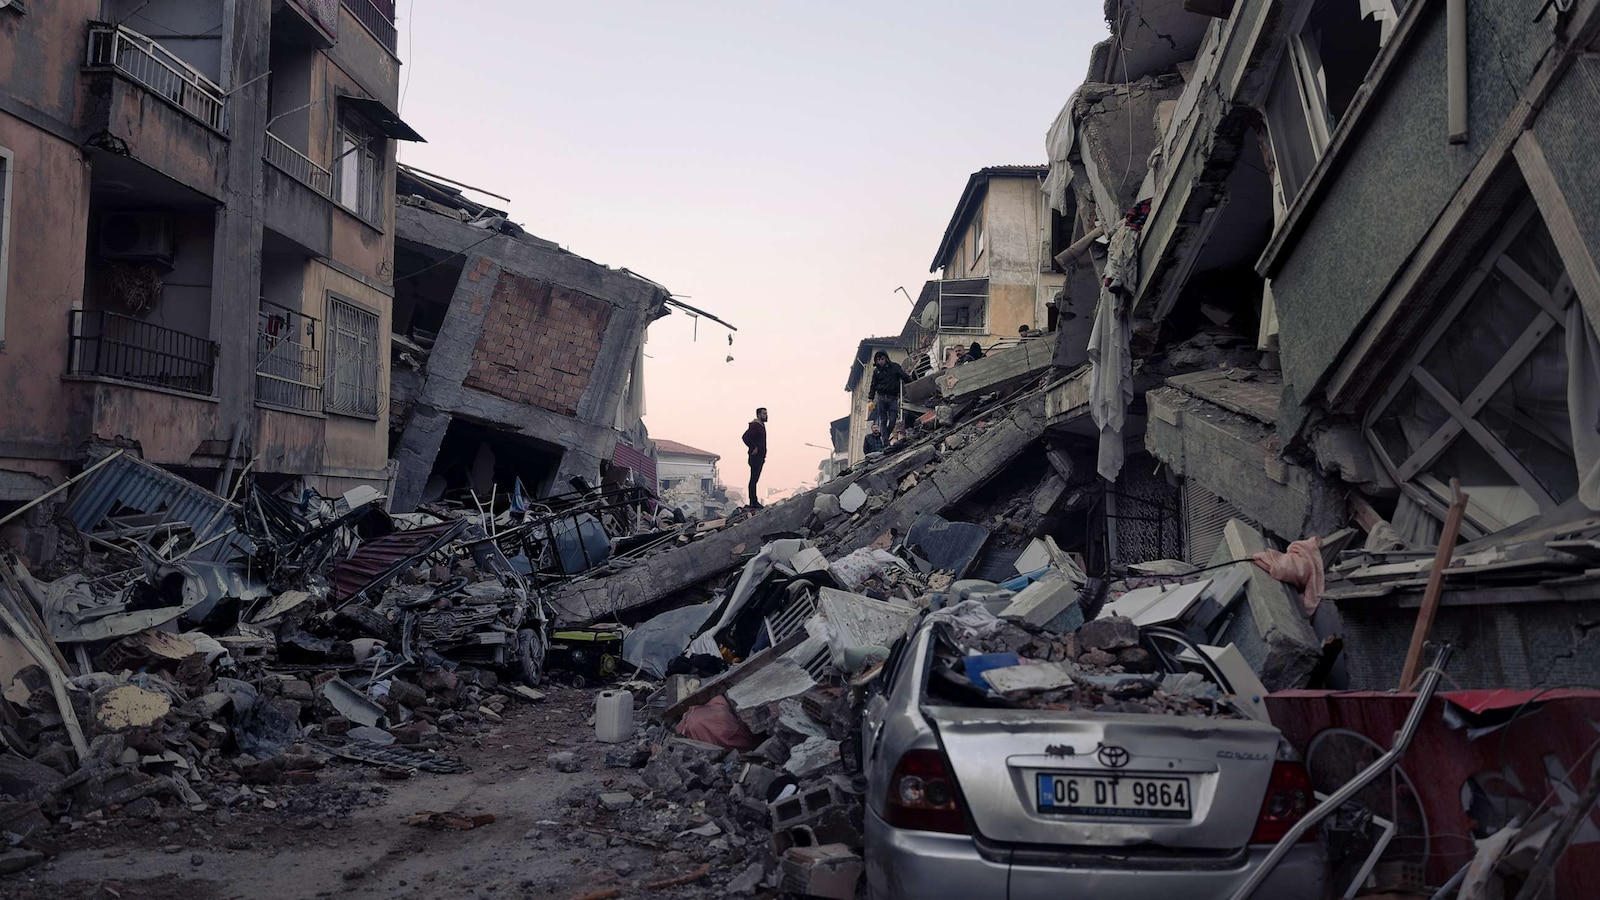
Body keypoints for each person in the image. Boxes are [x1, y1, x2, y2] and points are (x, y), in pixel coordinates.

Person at [866, 350, 912, 439]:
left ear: (886, 358)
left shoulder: (895, 367)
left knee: (892, 421)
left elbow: (904, 376)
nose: (880, 361)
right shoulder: (876, 372)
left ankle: (885, 436)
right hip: (881, 398)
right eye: (878, 360)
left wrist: (913, 382)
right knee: (883, 421)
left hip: (893, 398)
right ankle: (886, 442)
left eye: (882, 359)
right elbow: (873, 385)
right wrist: (870, 398)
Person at [741, 407, 768, 508]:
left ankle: (754, 501)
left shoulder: (761, 426)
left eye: (766, 413)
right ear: (758, 414)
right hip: (755, 457)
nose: (766, 415)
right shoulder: (755, 426)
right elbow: (745, 437)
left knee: (755, 479)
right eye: (764, 414)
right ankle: (753, 501)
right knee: (753, 479)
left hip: (760, 457)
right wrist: (753, 447)